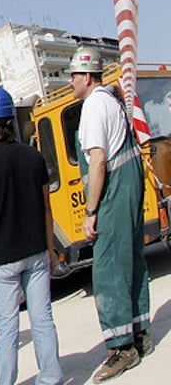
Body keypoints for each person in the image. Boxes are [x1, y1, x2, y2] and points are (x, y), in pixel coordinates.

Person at [0, 86, 62, 385]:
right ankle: (51, 378)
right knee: (43, 319)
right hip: (36, 253)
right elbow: (47, 207)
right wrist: (50, 250)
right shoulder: (33, 157)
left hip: (3, 263)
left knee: (7, 329)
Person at [69, 46, 153, 380]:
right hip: (130, 186)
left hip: (114, 193)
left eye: (74, 75)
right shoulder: (112, 101)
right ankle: (139, 332)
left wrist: (91, 212)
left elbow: (99, 160)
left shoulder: (92, 106)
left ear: (86, 76)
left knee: (108, 270)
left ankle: (121, 348)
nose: (71, 81)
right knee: (131, 260)